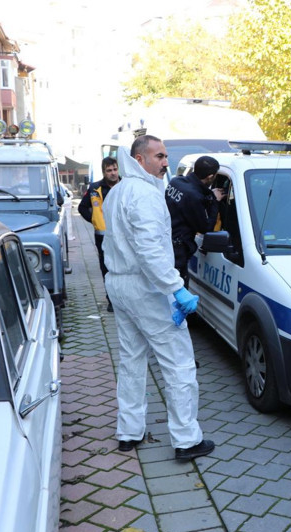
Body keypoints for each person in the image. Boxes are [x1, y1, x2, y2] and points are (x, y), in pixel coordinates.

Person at [102, 135, 214, 461]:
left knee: (132, 360)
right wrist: (175, 287)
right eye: (159, 156)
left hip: (120, 284)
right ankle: (186, 440)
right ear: (140, 159)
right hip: (146, 288)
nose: (166, 162)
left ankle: (129, 431)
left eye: (166, 156)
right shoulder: (145, 195)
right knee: (178, 363)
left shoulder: (119, 191)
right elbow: (150, 250)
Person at [165, 156, 224, 287]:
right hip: (177, 252)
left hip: (165, 244)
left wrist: (208, 194)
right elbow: (206, 228)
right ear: (210, 177)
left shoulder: (176, 182)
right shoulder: (194, 197)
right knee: (178, 291)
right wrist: (214, 201)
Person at [78, 157, 120, 312]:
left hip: (123, 235)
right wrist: (95, 220)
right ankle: (112, 301)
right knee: (107, 268)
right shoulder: (95, 188)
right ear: (104, 172)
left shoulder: (125, 185)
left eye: (115, 169)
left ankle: (124, 299)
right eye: (109, 170)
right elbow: (82, 208)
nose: (113, 173)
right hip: (102, 236)